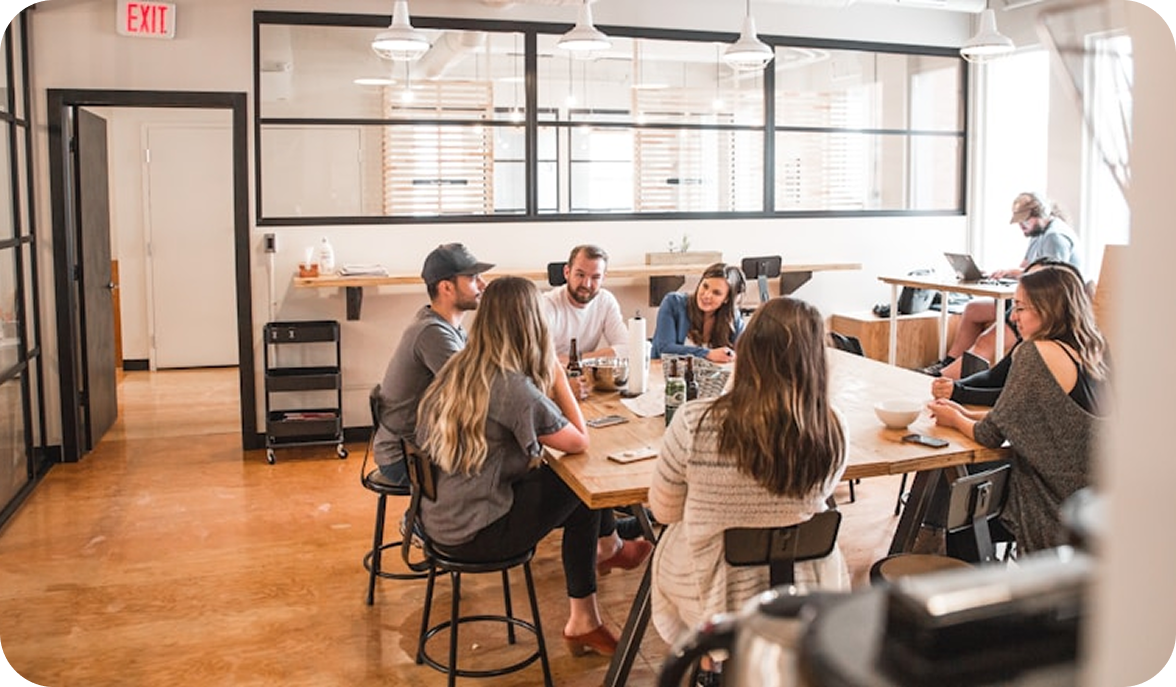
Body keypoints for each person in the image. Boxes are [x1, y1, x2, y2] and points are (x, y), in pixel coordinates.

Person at [414, 276, 650, 658]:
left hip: (440, 518)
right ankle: (589, 604)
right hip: (477, 532)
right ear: (533, 325)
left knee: (567, 484)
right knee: (580, 486)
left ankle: (605, 559)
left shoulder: (460, 367)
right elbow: (579, 439)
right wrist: (557, 373)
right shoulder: (511, 387)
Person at [649, 297, 851, 668]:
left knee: (671, 543)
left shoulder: (695, 422)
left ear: (747, 350)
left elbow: (663, 510)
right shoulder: (833, 427)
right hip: (803, 585)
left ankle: (711, 658)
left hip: (714, 590)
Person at [927, 264, 1110, 556]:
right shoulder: (1093, 350)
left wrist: (954, 418)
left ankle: (977, 594)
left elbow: (989, 435)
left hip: (1051, 508)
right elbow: (1029, 417)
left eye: (1020, 308)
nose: (1013, 317)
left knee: (959, 511)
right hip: (1092, 503)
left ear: (1048, 309)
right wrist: (966, 413)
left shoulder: (1035, 352)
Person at [921, 192, 1082, 378]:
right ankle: (949, 362)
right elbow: (1026, 267)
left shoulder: (1056, 237)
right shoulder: (1039, 234)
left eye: (1025, 221)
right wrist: (1004, 273)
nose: (1021, 227)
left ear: (1039, 215)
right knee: (973, 309)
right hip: (1032, 299)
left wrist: (1014, 273)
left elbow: (1052, 280)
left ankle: (944, 379)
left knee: (986, 340)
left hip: (1046, 306)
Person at [372, 243, 493, 486]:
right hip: (407, 459)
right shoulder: (432, 333)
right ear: (446, 287)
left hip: (422, 448)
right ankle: (426, 522)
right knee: (505, 471)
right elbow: (477, 391)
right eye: (473, 278)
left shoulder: (449, 328)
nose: (483, 285)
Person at [929, 258, 1090, 407]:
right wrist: (955, 386)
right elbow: (995, 377)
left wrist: (958, 393)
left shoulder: (1050, 351)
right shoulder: (1041, 338)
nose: (1013, 317)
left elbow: (1010, 406)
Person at [543, 244, 630, 363]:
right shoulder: (547, 305)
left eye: (595, 277)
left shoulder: (606, 301)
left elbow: (626, 348)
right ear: (567, 272)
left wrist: (577, 361)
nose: (586, 284)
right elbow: (538, 359)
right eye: (580, 275)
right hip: (552, 377)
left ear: (603, 278)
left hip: (586, 375)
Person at [651, 262, 746, 363]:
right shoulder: (673, 303)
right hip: (664, 375)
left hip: (712, 377)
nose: (706, 295)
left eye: (716, 293)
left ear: (726, 299)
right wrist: (707, 354)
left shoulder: (733, 318)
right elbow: (665, 349)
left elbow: (742, 355)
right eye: (705, 286)